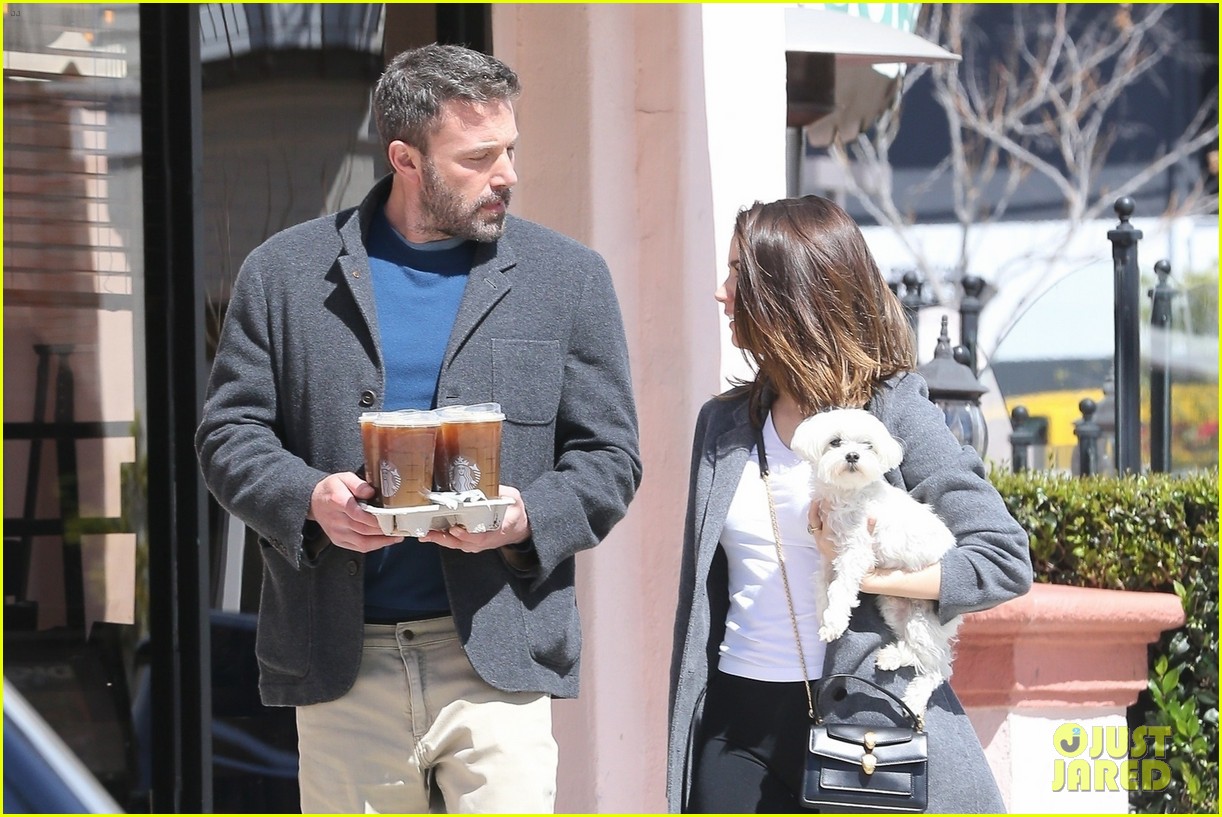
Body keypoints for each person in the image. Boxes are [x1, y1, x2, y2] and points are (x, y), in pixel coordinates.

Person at [196, 43, 641, 813]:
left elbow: (610, 456)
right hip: (343, 661)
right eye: (478, 157)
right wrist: (311, 500)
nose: (507, 174)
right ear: (405, 158)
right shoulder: (283, 274)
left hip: (498, 655)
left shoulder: (567, 278)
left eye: (509, 149)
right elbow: (229, 435)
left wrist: (524, 515)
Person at [666, 195, 1032, 813]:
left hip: (864, 728)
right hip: (735, 723)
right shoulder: (724, 425)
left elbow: (1003, 558)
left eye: (736, 274)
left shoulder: (891, 410)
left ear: (785, 292)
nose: (720, 292)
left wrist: (867, 573)